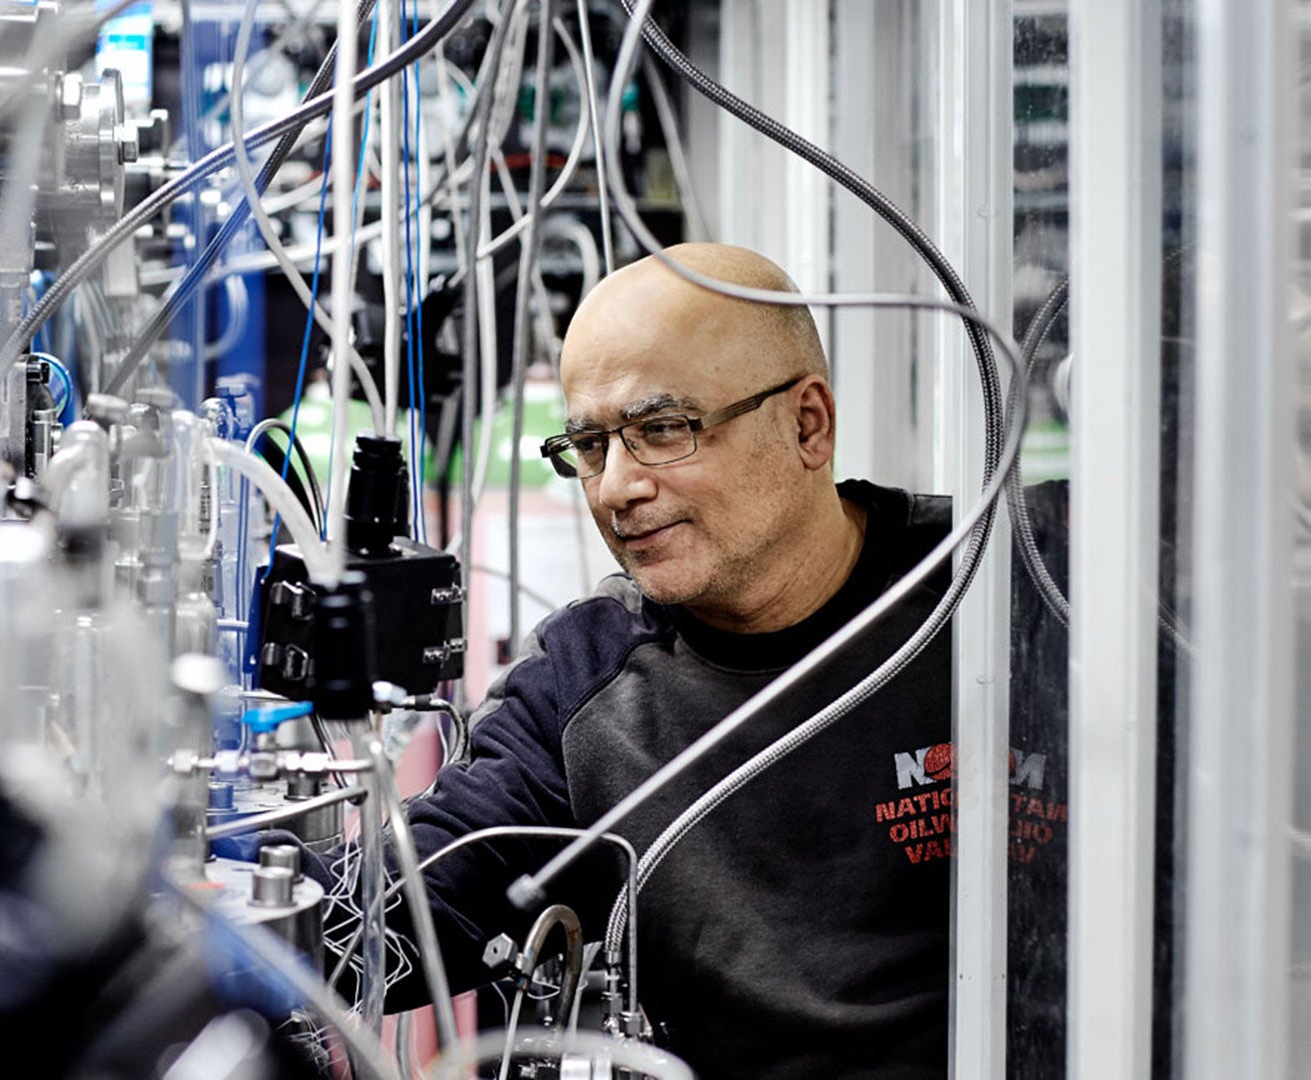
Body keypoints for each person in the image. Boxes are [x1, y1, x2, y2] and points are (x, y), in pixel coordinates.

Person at [267, 243, 1071, 1079]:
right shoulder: (587, 689)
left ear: (807, 424)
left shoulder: (1004, 591)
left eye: (661, 430)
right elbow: (398, 904)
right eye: (588, 447)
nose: (615, 488)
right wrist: (220, 922)